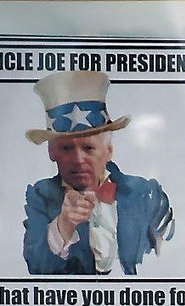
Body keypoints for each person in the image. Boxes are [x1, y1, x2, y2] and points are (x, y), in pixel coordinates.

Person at [23, 70, 174, 275]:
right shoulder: (41, 196)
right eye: (67, 148)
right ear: (51, 152)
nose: (78, 159)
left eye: (89, 148)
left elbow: (174, 262)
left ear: (109, 150)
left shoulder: (147, 194)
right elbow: (36, 267)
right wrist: (64, 224)